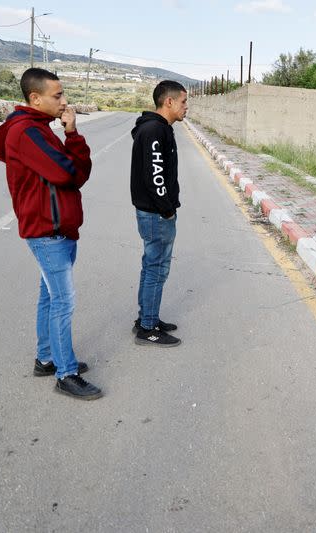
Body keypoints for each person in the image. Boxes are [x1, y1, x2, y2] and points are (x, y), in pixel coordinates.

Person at [0, 68, 102, 399]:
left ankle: (46, 358)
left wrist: (72, 135)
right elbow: (69, 174)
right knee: (63, 301)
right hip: (47, 231)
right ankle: (65, 373)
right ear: (34, 98)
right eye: (58, 96)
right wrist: (73, 137)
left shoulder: (39, 129)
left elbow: (78, 172)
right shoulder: (26, 133)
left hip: (58, 228)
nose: (64, 102)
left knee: (50, 296)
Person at [130, 80, 188, 347]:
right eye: (183, 101)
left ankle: (147, 317)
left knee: (151, 266)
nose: (186, 107)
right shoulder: (155, 130)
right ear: (169, 102)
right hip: (155, 213)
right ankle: (148, 328)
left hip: (153, 211)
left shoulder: (158, 128)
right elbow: (155, 175)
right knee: (157, 268)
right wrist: (166, 210)